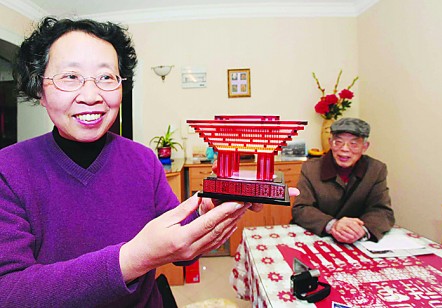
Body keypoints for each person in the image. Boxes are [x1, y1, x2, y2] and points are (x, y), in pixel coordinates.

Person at [0, 17, 299, 307]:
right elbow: (9, 291)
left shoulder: (143, 160)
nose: (91, 95)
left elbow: (182, 248)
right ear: (40, 89)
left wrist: (207, 209)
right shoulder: (9, 170)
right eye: (70, 77)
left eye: (106, 77)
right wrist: (133, 259)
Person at [292, 117, 395, 244]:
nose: (345, 149)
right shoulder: (311, 168)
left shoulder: (376, 169)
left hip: (357, 241)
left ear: (365, 147)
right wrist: (333, 225)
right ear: (330, 143)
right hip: (318, 237)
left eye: (354, 144)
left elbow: (382, 211)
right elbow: (301, 209)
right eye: (338, 142)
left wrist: (362, 230)